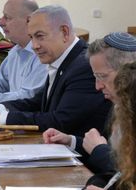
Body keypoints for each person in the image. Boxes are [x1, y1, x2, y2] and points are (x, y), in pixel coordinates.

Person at [0, 5, 112, 137]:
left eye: (40, 36)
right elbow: (37, 102)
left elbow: (61, 121)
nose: (35, 46)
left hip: (84, 161)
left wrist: (1, 118)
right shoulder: (62, 59)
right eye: (31, 37)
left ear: (65, 32)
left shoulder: (84, 65)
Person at [42, 32, 136, 189]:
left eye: (102, 76)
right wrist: (72, 141)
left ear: (126, 73)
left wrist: (98, 149)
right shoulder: (119, 105)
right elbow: (114, 173)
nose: (97, 87)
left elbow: (121, 168)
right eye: (95, 77)